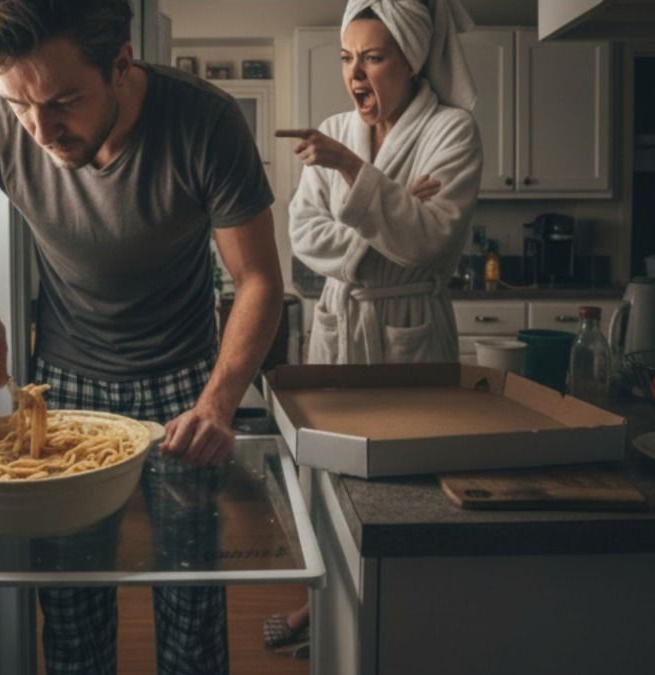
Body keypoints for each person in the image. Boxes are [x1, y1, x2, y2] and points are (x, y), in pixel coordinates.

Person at [0, 1, 284, 673]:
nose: (39, 129)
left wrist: (219, 402)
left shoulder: (205, 120)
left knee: (190, 596)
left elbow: (259, 277)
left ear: (121, 64)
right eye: (21, 106)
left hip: (185, 379)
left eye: (63, 101)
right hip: (65, 386)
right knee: (70, 608)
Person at [266, 0, 483, 653]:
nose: (355, 74)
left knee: (403, 484)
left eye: (374, 57)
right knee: (325, 475)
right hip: (339, 321)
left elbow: (431, 239)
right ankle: (317, 605)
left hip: (409, 325)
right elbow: (303, 234)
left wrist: (351, 174)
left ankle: (401, 617)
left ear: (412, 57)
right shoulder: (335, 126)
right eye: (346, 58)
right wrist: (388, 219)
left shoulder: (453, 132)